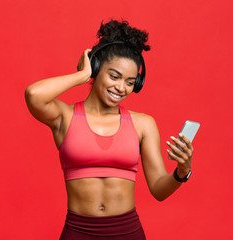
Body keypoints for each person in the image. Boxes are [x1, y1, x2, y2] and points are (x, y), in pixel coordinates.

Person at [25, 19, 194, 240]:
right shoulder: (64, 116)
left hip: (128, 233)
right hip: (78, 232)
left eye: (130, 82)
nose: (121, 88)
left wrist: (182, 172)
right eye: (114, 76)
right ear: (95, 68)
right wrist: (81, 75)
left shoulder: (143, 124)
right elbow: (33, 95)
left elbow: (159, 190)